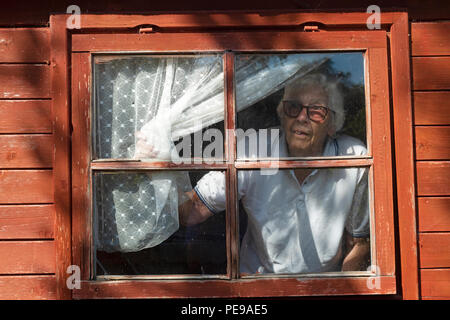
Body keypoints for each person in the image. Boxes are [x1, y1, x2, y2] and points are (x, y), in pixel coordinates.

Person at [178, 72, 370, 275]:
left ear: (332, 124)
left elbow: (359, 242)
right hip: (257, 285)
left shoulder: (355, 157)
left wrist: (342, 292)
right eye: (293, 107)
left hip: (322, 287)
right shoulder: (253, 148)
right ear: (282, 114)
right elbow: (193, 210)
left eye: (316, 111)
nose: (302, 117)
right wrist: (156, 173)